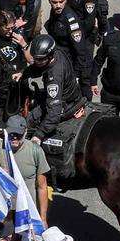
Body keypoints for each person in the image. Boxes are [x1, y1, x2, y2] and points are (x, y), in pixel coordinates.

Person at [23, 36, 85, 182]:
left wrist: (38, 135)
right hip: (73, 95)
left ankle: (33, 169)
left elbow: (54, 114)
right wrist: (24, 73)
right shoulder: (58, 53)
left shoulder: (53, 77)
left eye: (40, 59)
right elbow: (38, 66)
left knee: (28, 120)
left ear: (50, 56)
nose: (37, 62)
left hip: (66, 105)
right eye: (35, 58)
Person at [45, 0, 95, 99]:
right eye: (54, 2)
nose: (58, 6)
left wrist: (76, 76)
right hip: (58, 59)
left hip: (69, 65)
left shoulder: (71, 22)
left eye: (61, 2)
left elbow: (80, 52)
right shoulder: (55, 12)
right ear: (49, 0)